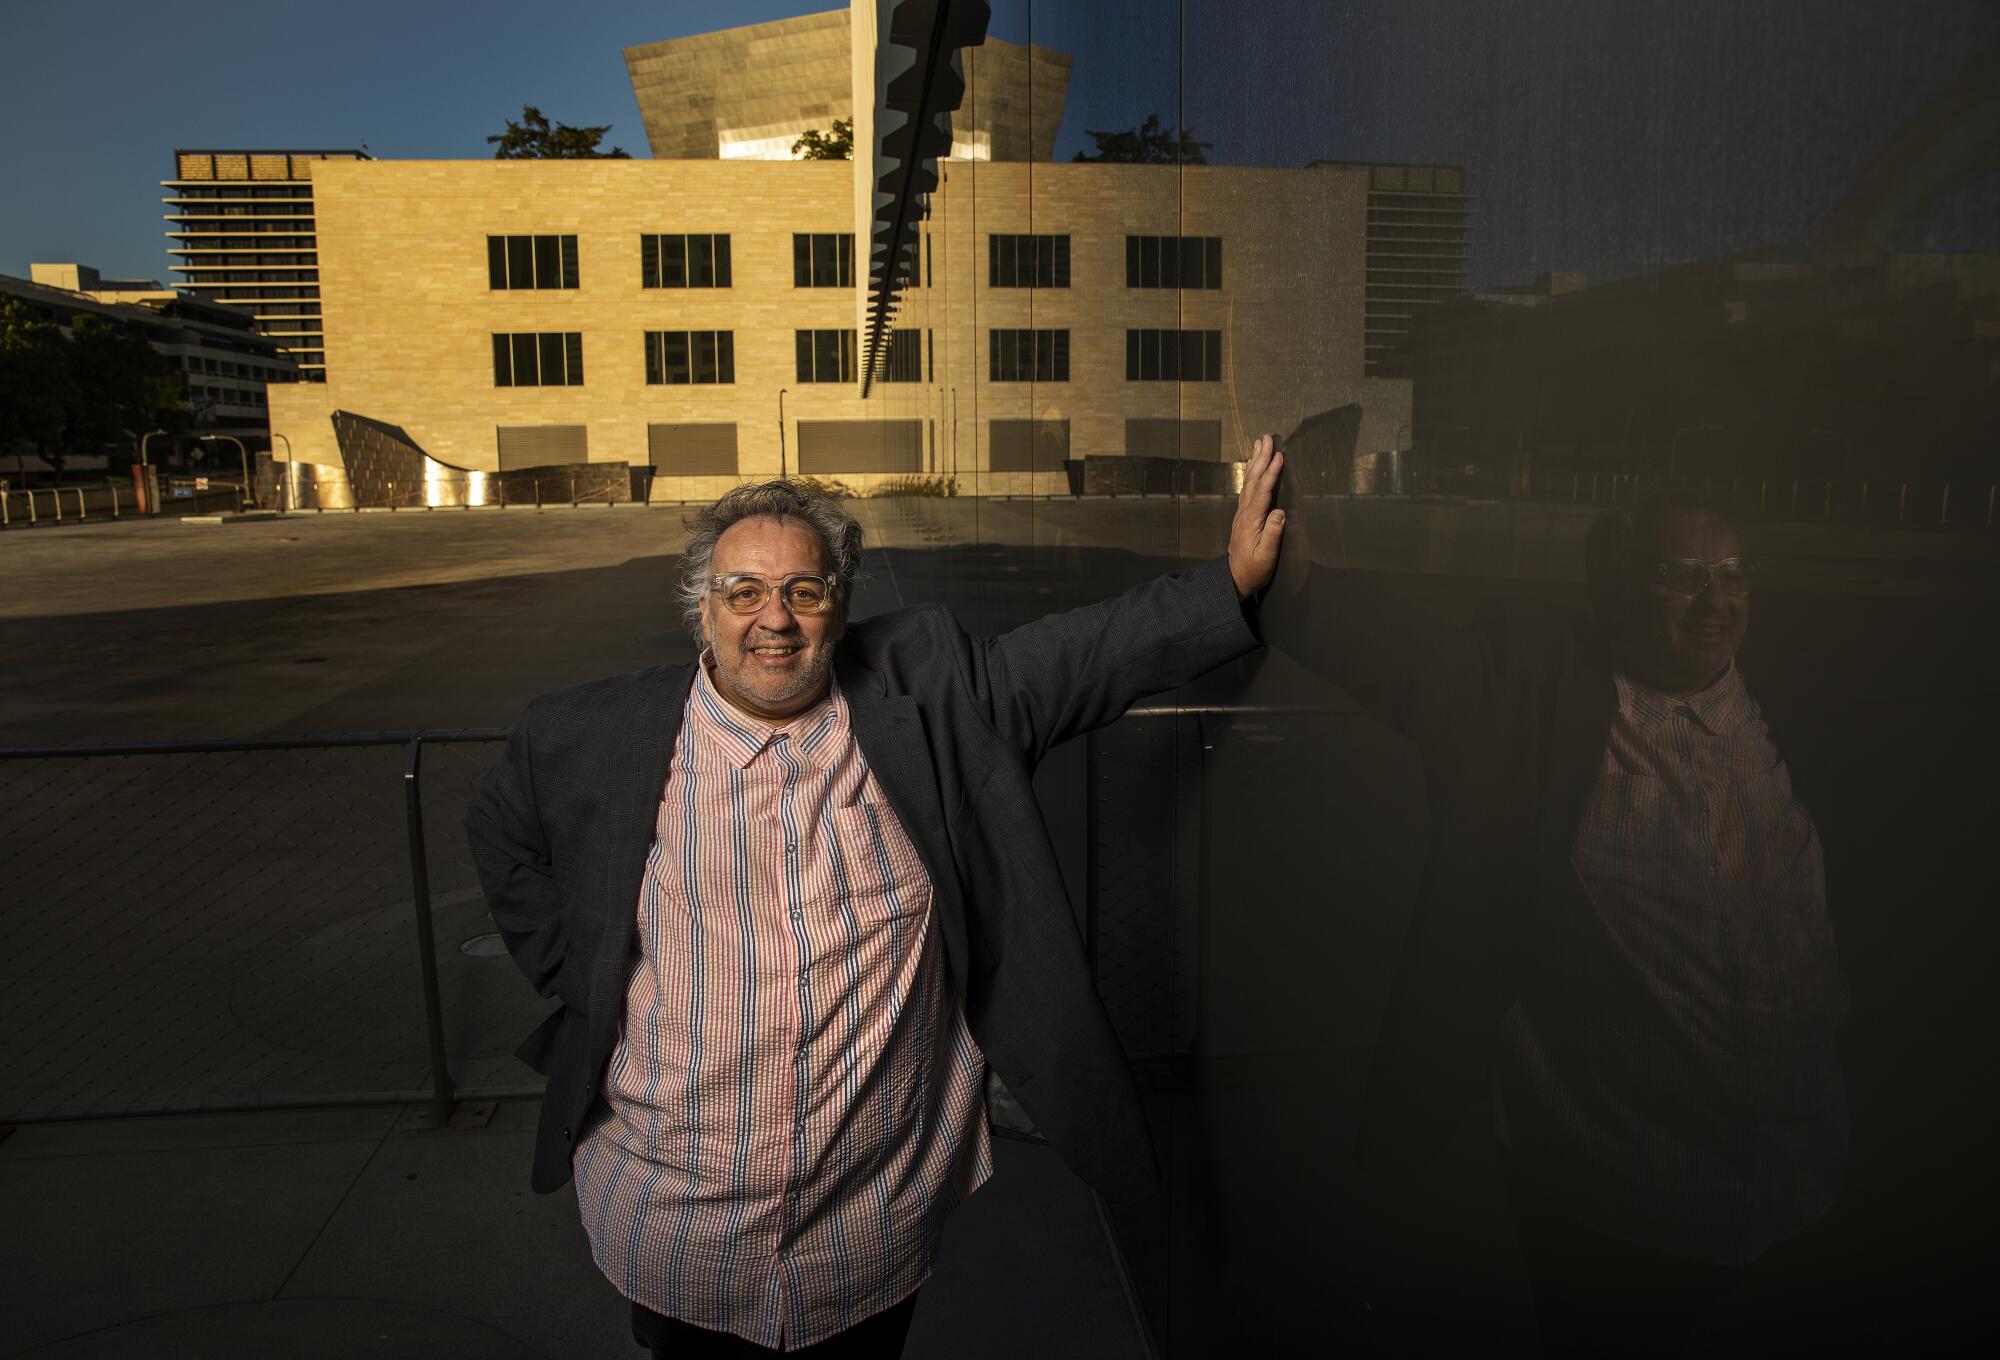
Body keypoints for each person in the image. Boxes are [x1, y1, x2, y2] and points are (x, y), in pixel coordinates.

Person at [465, 447, 1287, 1357]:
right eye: (744, 592)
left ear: (840, 608)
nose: (774, 620)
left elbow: (1082, 655)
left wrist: (1232, 584)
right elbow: (501, 828)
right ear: (702, 609)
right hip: (676, 1218)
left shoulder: (928, 700)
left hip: (867, 1227)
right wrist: (574, 965)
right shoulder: (592, 732)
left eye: (804, 592)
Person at [1291, 459, 1848, 1355]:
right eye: (1680, 576)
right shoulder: (1541, 696)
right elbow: (1395, 651)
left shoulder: (1785, 702)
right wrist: (1284, 581)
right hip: (1625, 1203)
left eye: (1732, 575)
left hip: (1800, 1185)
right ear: (1621, 585)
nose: (1716, 601)